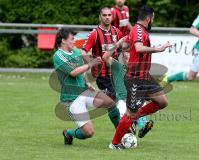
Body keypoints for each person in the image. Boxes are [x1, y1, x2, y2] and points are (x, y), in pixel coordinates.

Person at [109, 6, 172, 149]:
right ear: (149, 18)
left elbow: (127, 45)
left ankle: (136, 116)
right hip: (136, 78)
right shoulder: (138, 30)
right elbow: (138, 47)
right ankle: (115, 143)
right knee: (130, 113)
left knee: (162, 102)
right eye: (153, 18)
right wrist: (158, 48)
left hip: (145, 76)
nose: (153, 21)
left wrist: (122, 45)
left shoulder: (139, 30)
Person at [53, 28, 116, 145]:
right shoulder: (59, 55)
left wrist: (87, 82)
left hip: (84, 92)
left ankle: (122, 134)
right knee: (89, 133)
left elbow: (81, 72)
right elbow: (74, 72)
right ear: (63, 41)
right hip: (71, 99)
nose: (74, 41)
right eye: (72, 39)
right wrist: (90, 64)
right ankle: (69, 133)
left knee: (110, 102)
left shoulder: (76, 52)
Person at [82, 7, 123, 128]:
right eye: (104, 15)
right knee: (116, 100)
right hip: (102, 75)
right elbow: (83, 52)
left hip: (116, 74)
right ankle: (123, 131)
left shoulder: (117, 32)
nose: (107, 17)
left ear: (112, 16)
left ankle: (126, 129)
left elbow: (123, 47)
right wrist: (91, 62)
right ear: (100, 17)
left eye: (109, 15)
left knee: (117, 101)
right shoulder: (94, 34)